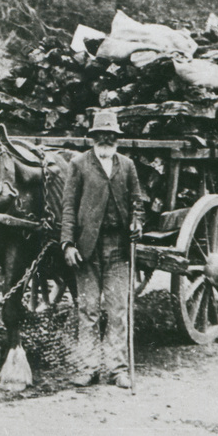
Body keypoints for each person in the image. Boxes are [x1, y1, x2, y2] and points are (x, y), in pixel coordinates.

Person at [60, 110, 145, 389]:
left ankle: (118, 369)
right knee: (87, 310)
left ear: (117, 139)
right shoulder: (78, 164)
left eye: (111, 136)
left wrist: (137, 221)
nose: (106, 140)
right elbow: (69, 207)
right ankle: (88, 368)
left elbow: (137, 201)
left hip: (119, 248)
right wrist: (68, 243)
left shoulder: (128, 165)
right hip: (87, 249)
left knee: (118, 310)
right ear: (93, 138)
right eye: (101, 136)